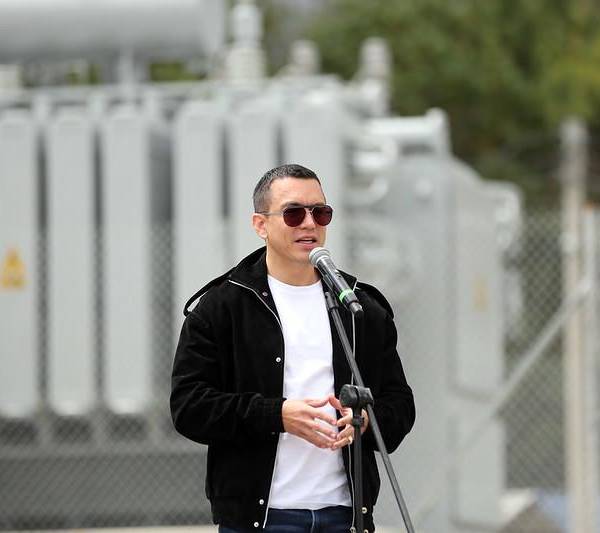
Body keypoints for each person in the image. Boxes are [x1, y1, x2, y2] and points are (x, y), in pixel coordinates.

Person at [171, 164, 415, 532]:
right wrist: (278, 415)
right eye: (293, 213)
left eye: (320, 212)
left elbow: (400, 403)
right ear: (260, 225)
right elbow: (189, 406)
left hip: (345, 517)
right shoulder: (222, 307)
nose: (309, 223)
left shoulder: (357, 307)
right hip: (260, 520)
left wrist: (364, 421)